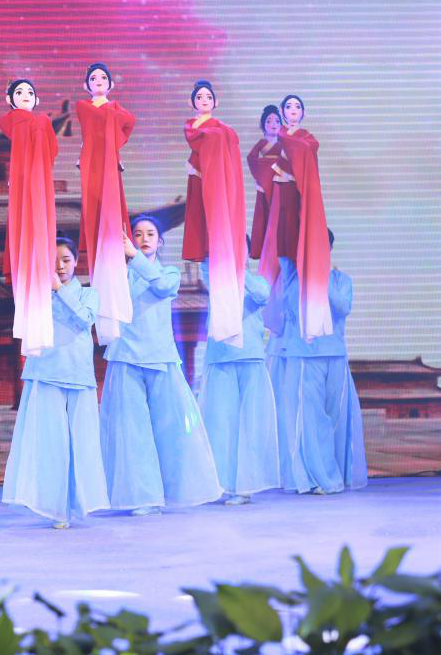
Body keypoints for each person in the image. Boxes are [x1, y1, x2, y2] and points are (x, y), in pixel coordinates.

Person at [98, 216, 222, 514]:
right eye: (138, 234)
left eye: (150, 234)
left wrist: (135, 257)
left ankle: (172, 490)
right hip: (126, 358)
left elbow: (163, 286)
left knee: (170, 429)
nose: (144, 239)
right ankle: (143, 497)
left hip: (161, 358)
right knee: (133, 431)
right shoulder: (120, 275)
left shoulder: (168, 273)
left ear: (160, 241)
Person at [2, 237, 108, 528]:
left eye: (66, 260)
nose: (60, 266)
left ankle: (78, 503)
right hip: (45, 373)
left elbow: (84, 319)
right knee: (49, 444)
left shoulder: (89, 293)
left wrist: (59, 290)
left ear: (76, 262)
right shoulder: (37, 294)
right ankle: (55, 508)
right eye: (54, 261)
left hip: (78, 375)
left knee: (81, 445)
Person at [268, 230, 367, 495]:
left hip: (335, 355)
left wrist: (321, 275)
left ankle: (332, 473)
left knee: (334, 419)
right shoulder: (293, 278)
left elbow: (342, 307)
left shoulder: (341, 280)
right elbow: (287, 308)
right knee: (309, 422)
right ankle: (317, 478)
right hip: (304, 356)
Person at [198, 246, 280, 505]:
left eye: (239, 248)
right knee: (221, 423)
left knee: (249, 424)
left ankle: (244, 486)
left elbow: (262, 295)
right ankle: (223, 484)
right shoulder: (214, 275)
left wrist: (238, 270)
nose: (234, 253)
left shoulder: (257, 281)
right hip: (221, 358)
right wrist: (222, 256)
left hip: (250, 358)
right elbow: (206, 272)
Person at [258, 95, 332, 342]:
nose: (293, 110)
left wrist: (284, 137)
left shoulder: (307, 139)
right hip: (281, 204)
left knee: (297, 261)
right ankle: (280, 321)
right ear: (282, 112)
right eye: (288, 107)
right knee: (281, 262)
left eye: (297, 107)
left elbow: (304, 153)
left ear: (303, 113)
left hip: (298, 203)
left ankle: (299, 321)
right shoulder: (275, 141)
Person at [181, 80, 247, 348]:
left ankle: (227, 323)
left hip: (215, 189)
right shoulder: (193, 127)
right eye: (199, 96)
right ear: (193, 102)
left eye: (208, 96)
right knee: (206, 254)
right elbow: (197, 142)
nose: (204, 100)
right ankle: (219, 324)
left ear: (215, 102)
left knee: (218, 250)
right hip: (200, 187)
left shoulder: (223, 131)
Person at [75, 63, 135, 344]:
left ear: (110, 84)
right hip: (92, 163)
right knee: (95, 218)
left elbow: (129, 121)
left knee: (113, 219)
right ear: (86, 85)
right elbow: (102, 122)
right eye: (93, 78)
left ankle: (117, 308)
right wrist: (113, 113)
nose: (98, 81)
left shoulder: (113, 109)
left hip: (109, 163)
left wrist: (114, 149)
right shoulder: (84, 106)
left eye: (103, 78)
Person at [0, 78, 58, 357]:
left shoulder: (41, 121)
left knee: (38, 239)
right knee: (24, 239)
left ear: (37, 99)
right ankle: (29, 323)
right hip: (22, 188)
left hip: (39, 184)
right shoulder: (13, 123)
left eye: (30, 92)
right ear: (9, 99)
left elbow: (51, 152)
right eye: (19, 92)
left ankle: (37, 325)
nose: (25, 96)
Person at [247, 105, 282, 261]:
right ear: (263, 125)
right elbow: (251, 158)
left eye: (277, 121)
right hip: (264, 185)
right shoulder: (262, 143)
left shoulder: (283, 143)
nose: (273, 124)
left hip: (279, 183)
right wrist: (259, 178)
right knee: (264, 214)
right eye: (269, 121)